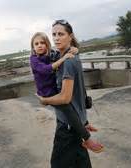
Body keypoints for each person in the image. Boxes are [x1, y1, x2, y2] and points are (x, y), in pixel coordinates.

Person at [36, 20, 104, 168]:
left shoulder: (68, 62)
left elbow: (65, 98)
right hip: (75, 124)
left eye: (61, 34)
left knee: (58, 164)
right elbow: (77, 95)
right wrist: (83, 122)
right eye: (54, 34)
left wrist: (45, 100)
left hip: (67, 127)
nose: (56, 38)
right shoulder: (68, 57)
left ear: (70, 36)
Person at [30, 32, 91, 143]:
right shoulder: (34, 60)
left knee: (72, 103)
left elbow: (65, 53)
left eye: (42, 43)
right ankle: (86, 137)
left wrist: (75, 50)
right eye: (36, 43)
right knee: (67, 109)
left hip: (55, 87)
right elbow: (46, 69)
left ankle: (84, 124)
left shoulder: (51, 54)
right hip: (47, 92)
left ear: (47, 44)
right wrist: (63, 59)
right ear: (33, 47)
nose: (39, 45)